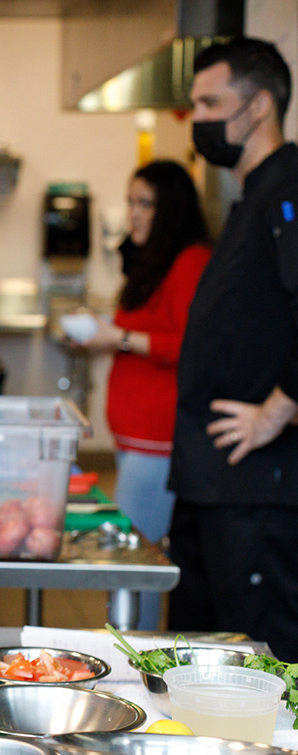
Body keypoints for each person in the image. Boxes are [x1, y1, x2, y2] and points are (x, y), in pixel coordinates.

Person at [168, 37, 298, 661]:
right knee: (201, 658)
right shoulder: (251, 197)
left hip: (256, 493)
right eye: (194, 104)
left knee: (266, 667)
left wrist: (277, 408)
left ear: (260, 107)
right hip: (212, 482)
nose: (199, 119)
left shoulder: (288, 189)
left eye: (211, 102)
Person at [71, 160, 211, 631]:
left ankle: (136, 655)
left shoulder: (190, 260)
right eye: (131, 202)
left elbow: (190, 343)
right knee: (134, 559)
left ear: (170, 208)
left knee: (134, 562)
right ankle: (136, 647)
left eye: (144, 203)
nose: (133, 213)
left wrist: (119, 338)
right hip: (136, 440)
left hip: (159, 438)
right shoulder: (153, 261)